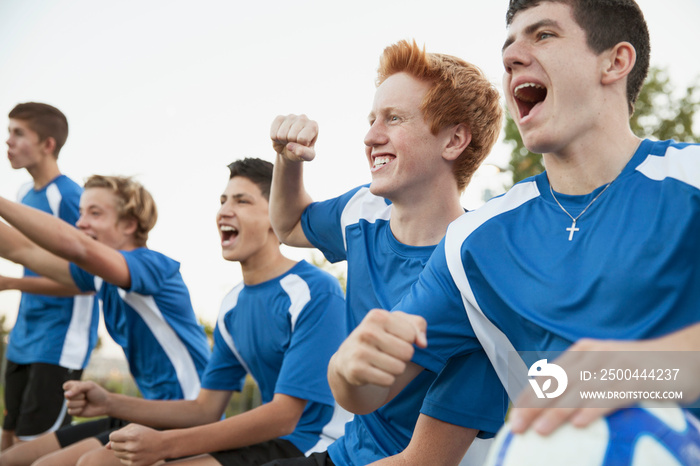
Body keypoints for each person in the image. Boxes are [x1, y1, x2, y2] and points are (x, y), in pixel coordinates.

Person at [327, 0, 700, 457]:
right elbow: (367, 395)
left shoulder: (691, 178)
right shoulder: (473, 244)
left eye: (543, 35)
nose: (511, 57)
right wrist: (347, 371)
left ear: (615, 61)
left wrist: (638, 372)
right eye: (508, 46)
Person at [266, 39, 507, 466]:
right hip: (343, 454)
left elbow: (424, 461)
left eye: (393, 119)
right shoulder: (363, 211)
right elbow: (287, 225)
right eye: (372, 118)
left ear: (453, 141)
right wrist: (289, 161)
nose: (370, 136)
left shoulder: (477, 277)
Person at [57, 158, 347, 466]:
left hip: (314, 444)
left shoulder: (315, 289)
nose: (224, 210)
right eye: (223, 201)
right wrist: (109, 402)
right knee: (96, 463)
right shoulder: (233, 304)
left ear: (276, 214)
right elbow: (205, 409)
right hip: (271, 440)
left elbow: (284, 417)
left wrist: (164, 445)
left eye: (242, 200)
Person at [0, 175, 211, 466]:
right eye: (82, 213)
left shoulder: (152, 266)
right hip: (141, 413)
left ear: (129, 224)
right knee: (14, 459)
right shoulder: (99, 277)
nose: (81, 222)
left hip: (187, 417)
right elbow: (23, 251)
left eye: (94, 213)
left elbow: (76, 247)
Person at [2, 102, 99, 451]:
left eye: (18, 133)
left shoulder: (71, 197)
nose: (8, 141)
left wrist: (10, 283)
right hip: (23, 337)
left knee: (36, 448)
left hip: (58, 345)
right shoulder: (23, 196)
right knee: (8, 441)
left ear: (48, 144)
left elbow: (88, 283)